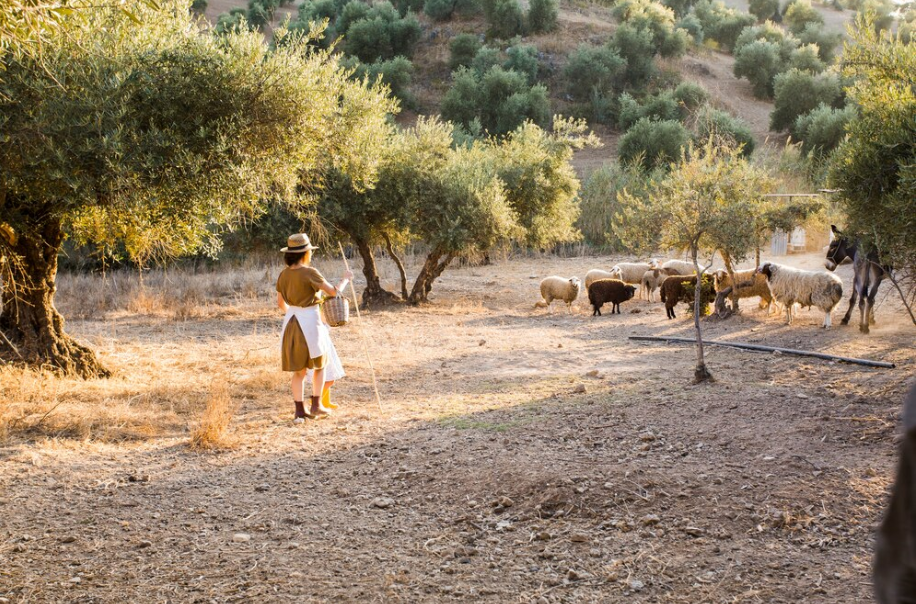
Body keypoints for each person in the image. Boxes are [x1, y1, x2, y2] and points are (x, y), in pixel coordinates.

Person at [276, 233, 352, 423]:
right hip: (310, 322)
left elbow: (280, 303)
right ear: (306, 253)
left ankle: (299, 411)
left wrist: (293, 312)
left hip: (291, 323)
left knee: (299, 372)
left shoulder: (283, 274)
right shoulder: (310, 272)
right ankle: (316, 405)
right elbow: (333, 292)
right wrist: (346, 279)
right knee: (320, 365)